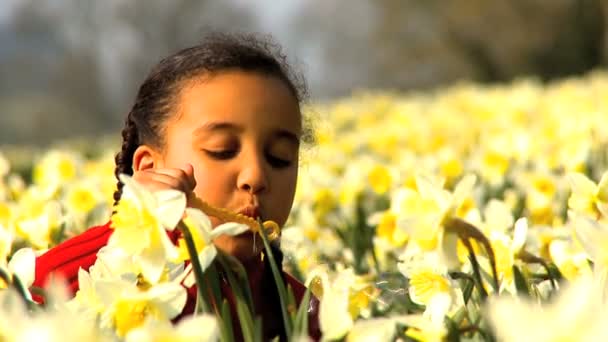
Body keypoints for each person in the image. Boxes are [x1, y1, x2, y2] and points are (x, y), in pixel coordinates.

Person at [31, 32, 320, 340]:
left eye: (280, 158)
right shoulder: (78, 284)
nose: (256, 177)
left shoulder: (306, 317)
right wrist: (133, 226)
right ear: (150, 169)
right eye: (222, 150)